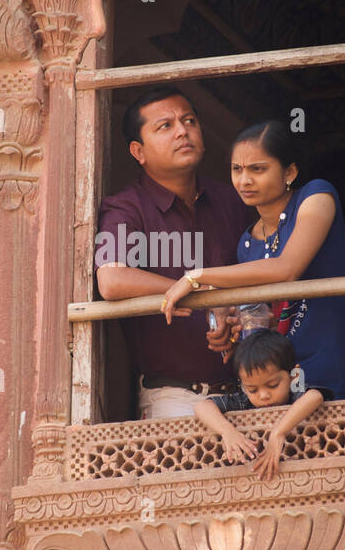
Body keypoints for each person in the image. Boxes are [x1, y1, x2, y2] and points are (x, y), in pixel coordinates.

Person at [161, 119, 345, 401]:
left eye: (258, 169)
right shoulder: (247, 242)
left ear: (290, 171)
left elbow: (287, 268)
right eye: (237, 169)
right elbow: (271, 320)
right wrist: (234, 324)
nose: (244, 180)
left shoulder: (316, 196)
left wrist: (196, 277)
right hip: (278, 387)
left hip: (331, 369)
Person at [95, 85, 252, 418]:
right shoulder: (125, 208)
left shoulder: (232, 200)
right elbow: (111, 279)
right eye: (165, 126)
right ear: (139, 152)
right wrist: (195, 287)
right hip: (174, 398)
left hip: (252, 390)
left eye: (190, 120)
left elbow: (262, 274)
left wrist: (238, 315)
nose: (183, 131)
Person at [193, 329, 331, 481]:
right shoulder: (243, 400)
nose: (263, 395)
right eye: (252, 389)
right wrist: (227, 432)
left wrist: (278, 432)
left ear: (295, 376)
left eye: (273, 385)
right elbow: (202, 407)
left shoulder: (295, 395)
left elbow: (315, 396)